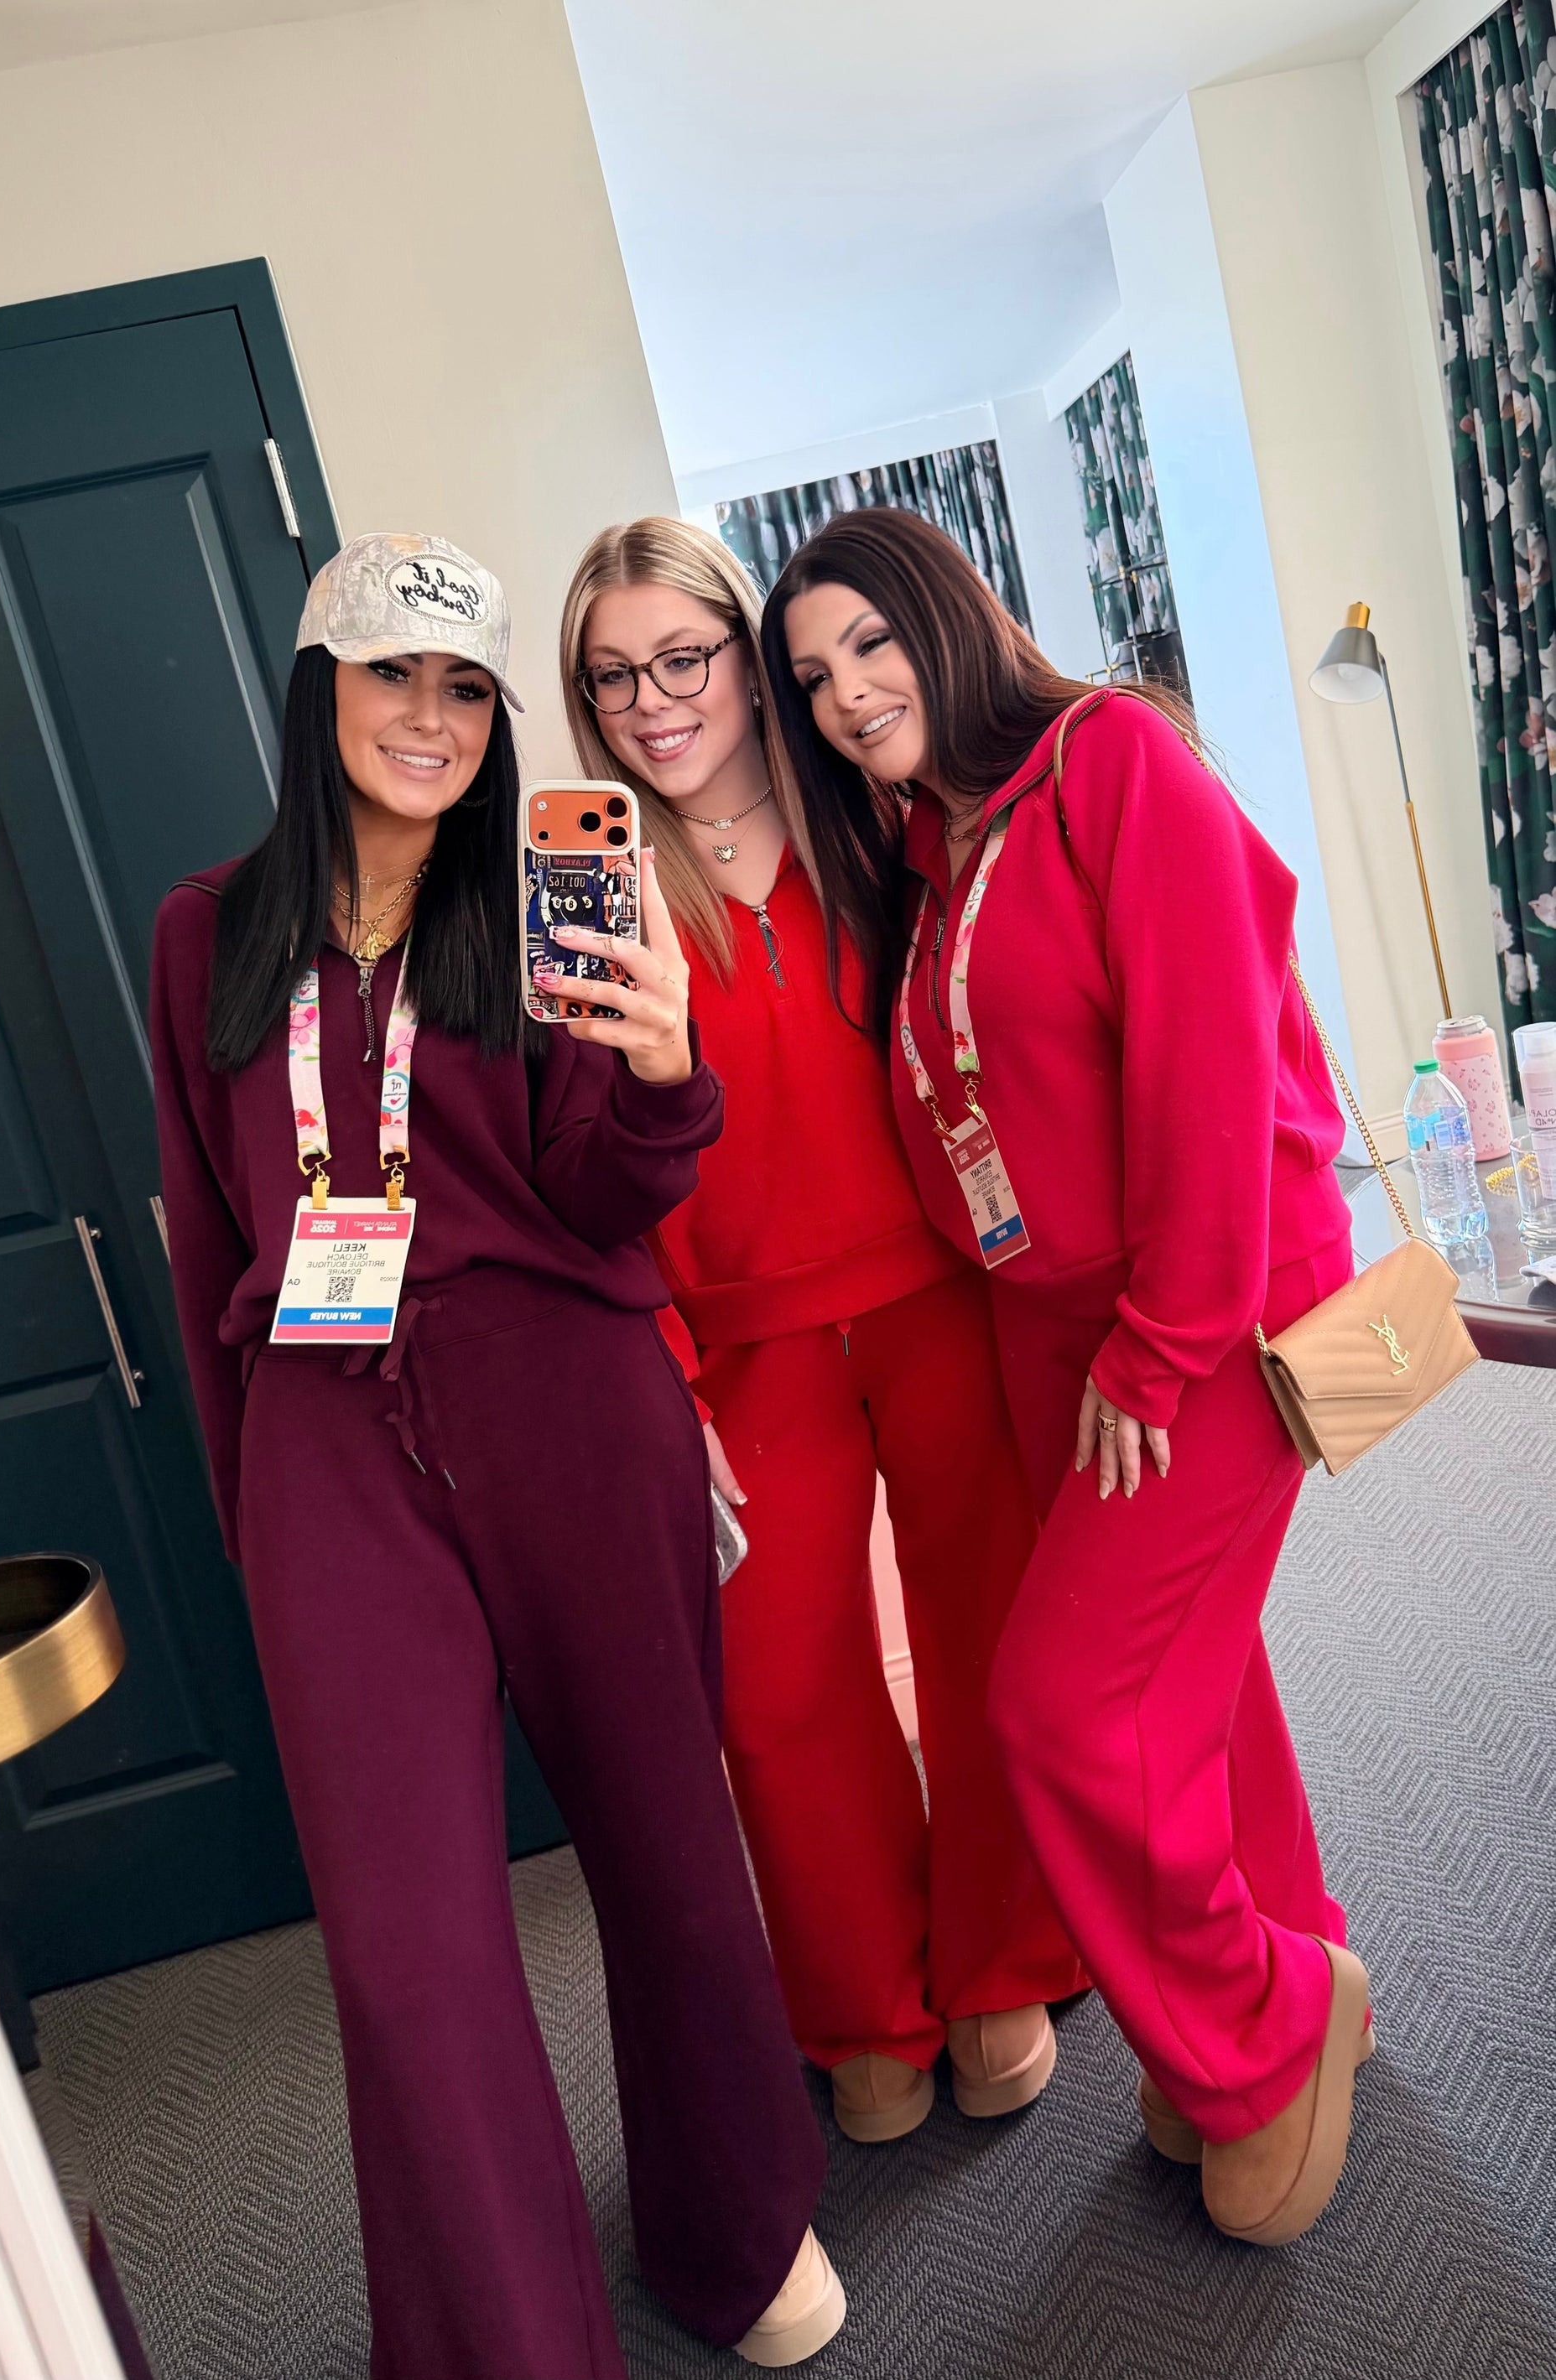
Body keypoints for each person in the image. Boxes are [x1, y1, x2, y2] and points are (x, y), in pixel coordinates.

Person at [149, 533, 843, 2379]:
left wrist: (668, 1070)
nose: (433, 719)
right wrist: (251, 1511)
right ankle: (510, 2344)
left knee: (664, 1845)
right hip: (322, 1438)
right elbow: (202, 1233)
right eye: (394, 677)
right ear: (321, 693)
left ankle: (735, 2214)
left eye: (468, 688)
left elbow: (602, 1198)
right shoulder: (203, 934)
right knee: (406, 1956)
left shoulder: (548, 896)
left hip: (562, 1395)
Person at [762, 506, 1371, 2247]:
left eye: (870, 645)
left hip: (1192, 1315)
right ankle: (1297, 1958)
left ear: (948, 620)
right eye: (810, 676)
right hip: (1044, 1324)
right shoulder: (928, 842)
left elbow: (1204, 1064)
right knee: (1193, 1685)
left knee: (1062, 1708)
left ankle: (1257, 2033)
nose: (846, 692)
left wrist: (1166, 1347)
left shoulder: (1109, 759)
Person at [559, 517, 1085, 2148]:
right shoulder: (588, 885)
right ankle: (862, 1999)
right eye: (609, 676)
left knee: (995, 1633)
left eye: (682, 658)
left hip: (943, 1301)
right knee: (781, 1699)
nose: (651, 702)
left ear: (745, 656)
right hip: (742, 1348)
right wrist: (661, 1386)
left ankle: (1003, 1961)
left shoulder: (879, 820)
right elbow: (585, 1172)